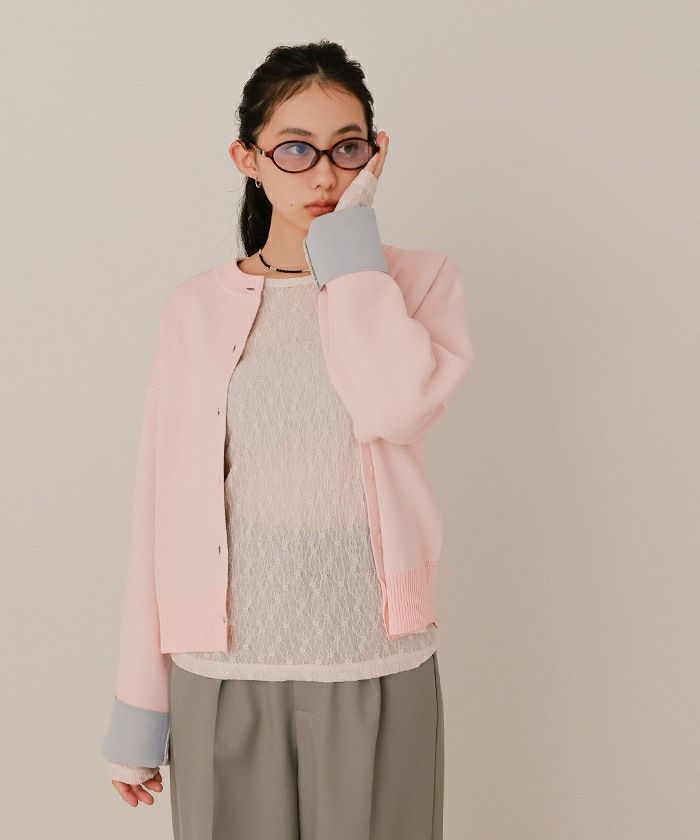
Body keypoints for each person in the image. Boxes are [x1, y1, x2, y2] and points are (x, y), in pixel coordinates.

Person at [101, 39, 475, 839]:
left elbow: (395, 406)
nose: (325, 175)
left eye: (348, 149)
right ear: (248, 158)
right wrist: (140, 709)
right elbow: (157, 512)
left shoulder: (415, 283)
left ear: (376, 154)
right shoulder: (193, 309)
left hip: (375, 660)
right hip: (222, 674)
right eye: (296, 149)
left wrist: (350, 252)